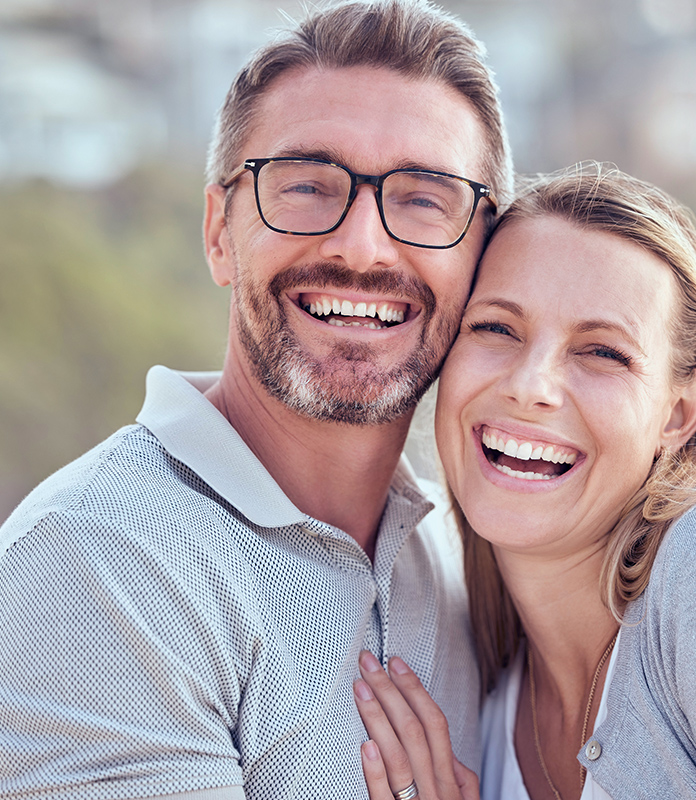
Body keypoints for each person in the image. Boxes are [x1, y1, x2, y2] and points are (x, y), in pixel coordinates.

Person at [0, 2, 512, 798]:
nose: (362, 246)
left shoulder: (466, 561)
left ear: (484, 255)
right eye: (307, 185)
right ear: (218, 233)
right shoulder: (97, 561)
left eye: (423, 198)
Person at [353, 162, 696, 800]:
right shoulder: (475, 677)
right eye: (496, 328)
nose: (530, 385)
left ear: (680, 412)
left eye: (602, 352)